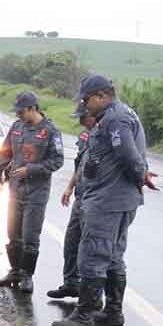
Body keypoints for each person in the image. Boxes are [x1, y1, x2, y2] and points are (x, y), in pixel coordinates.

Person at [52, 75, 147, 326]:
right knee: (114, 256)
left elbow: (129, 156)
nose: (85, 104)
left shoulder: (115, 118)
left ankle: (84, 315)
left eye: (86, 99)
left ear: (102, 95)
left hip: (108, 200)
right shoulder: (117, 115)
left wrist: (140, 177)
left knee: (93, 254)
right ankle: (113, 312)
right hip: (117, 198)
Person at [0, 91, 64, 293]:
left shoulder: (50, 131)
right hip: (15, 190)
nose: (18, 116)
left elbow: (57, 161)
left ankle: (27, 276)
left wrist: (31, 169)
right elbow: (5, 153)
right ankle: (15, 271)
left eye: (21, 111)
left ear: (33, 108)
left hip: (37, 192)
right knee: (12, 233)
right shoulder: (17, 128)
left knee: (30, 235)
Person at [47, 102, 97, 299]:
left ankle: (91, 298)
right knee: (71, 241)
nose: (81, 122)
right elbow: (80, 164)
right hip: (81, 195)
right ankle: (71, 283)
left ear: (93, 115)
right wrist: (70, 186)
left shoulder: (105, 135)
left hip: (95, 199)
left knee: (90, 248)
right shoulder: (86, 136)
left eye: (83, 118)